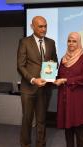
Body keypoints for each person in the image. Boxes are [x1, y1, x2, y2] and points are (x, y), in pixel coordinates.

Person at [17, 16, 58, 147]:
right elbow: (20, 66)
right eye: (40, 26)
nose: (44, 29)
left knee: (42, 120)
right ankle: (25, 144)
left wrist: (52, 66)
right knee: (27, 119)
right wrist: (33, 79)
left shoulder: (51, 42)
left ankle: (41, 144)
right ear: (32, 26)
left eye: (45, 26)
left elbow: (55, 61)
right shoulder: (24, 42)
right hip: (28, 88)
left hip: (45, 88)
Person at [54, 32, 83, 147]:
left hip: (78, 99)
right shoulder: (63, 59)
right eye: (69, 41)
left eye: (74, 41)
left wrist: (65, 80)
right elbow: (59, 76)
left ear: (79, 42)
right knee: (68, 128)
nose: (71, 43)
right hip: (65, 98)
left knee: (79, 128)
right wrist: (49, 75)